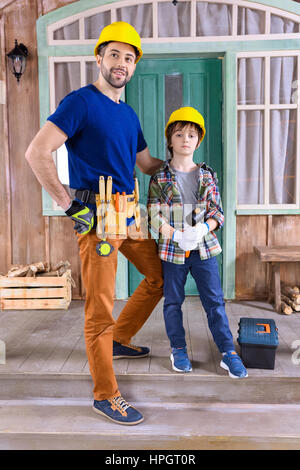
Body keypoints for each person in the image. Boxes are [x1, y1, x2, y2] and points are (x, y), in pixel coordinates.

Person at [25, 21, 164, 426]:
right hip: (98, 218)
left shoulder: (128, 113)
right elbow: (37, 153)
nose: (122, 63)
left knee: (160, 277)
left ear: (135, 66)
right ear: (99, 58)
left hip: (129, 213)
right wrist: (68, 204)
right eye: (115, 55)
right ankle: (106, 394)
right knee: (99, 311)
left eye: (129, 57)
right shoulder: (80, 102)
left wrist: (181, 159)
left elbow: (144, 163)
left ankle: (120, 339)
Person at [147, 106, 248, 379]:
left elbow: (217, 211)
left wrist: (204, 227)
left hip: (204, 249)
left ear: (198, 140)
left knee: (214, 302)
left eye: (191, 134)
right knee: (173, 302)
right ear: (170, 140)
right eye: (179, 134)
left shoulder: (207, 174)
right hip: (173, 250)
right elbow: (154, 214)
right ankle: (178, 349)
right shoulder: (160, 177)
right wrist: (176, 234)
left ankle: (228, 352)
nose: (185, 139)